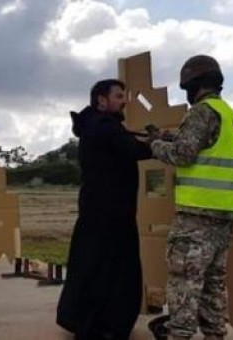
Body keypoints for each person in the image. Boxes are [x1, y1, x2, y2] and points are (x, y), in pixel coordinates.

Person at [148, 55, 233, 340]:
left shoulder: (201, 113)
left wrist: (155, 145)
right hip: (224, 218)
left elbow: (183, 155)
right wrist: (170, 137)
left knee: (184, 283)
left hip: (196, 219)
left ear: (193, 85)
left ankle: (179, 335)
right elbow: (204, 149)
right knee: (212, 287)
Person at [56, 79, 152, 339]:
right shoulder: (104, 126)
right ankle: (102, 326)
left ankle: (84, 321)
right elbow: (133, 149)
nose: (124, 101)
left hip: (101, 210)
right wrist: (159, 145)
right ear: (101, 100)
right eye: (119, 96)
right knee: (111, 270)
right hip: (110, 213)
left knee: (93, 265)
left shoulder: (96, 125)